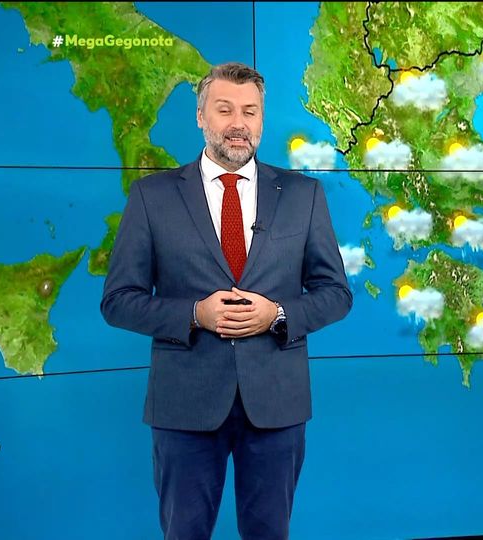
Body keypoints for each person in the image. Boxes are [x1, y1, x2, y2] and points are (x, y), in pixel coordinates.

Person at [100, 62, 352, 539]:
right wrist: (194, 314)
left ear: (262, 120)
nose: (239, 123)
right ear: (201, 116)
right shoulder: (152, 197)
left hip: (276, 403)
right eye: (225, 109)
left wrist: (278, 314)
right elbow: (118, 300)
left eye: (250, 112)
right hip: (185, 404)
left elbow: (336, 294)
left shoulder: (303, 195)